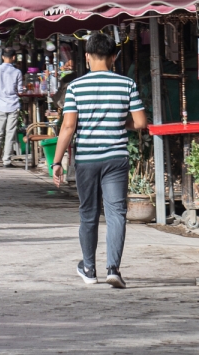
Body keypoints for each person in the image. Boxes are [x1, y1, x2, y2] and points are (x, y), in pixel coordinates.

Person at [53, 32, 147, 289]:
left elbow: (68, 127)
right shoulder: (126, 84)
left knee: (89, 213)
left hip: (87, 160)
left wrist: (57, 162)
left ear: (86, 56)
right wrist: (119, 123)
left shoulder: (75, 87)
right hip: (116, 158)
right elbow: (140, 122)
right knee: (116, 213)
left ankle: (89, 269)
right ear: (114, 57)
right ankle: (113, 269)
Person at [0, 47, 23, 168]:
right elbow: (20, 91)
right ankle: (6, 160)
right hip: (13, 105)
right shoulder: (17, 72)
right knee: (10, 133)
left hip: (0, 105)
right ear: (14, 57)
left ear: (2, 57)